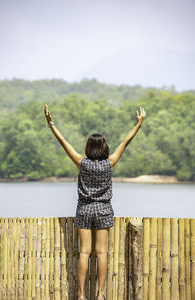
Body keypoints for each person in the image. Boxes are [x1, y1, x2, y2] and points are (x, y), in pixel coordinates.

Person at [44, 104, 146, 300]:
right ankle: (100, 295)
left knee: (84, 252)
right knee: (101, 253)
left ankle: (81, 295)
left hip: (84, 209)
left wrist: (51, 124)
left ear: (88, 148)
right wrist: (138, 125)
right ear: (105, 147)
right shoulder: (110, 162)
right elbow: (126, 141)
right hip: (104, 210)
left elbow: (63, 142)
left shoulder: (81, 162)